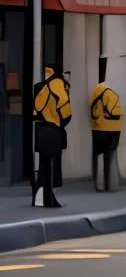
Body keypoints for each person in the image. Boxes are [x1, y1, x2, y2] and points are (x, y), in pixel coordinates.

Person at [32, 65, 71, 208]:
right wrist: (63, 121)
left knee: (43, 166)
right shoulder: (57, 84)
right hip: (53, 129)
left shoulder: (38, 87)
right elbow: (65, 109)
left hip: (39, 128)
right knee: (51, 167)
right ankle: (48, 199)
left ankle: (39, 198)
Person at [89, 57, 123, 192]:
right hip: (114, 128)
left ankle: (99, 184)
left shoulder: (96, 90)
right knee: (111, 155)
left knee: (98, 154)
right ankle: (111, 185)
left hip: (98, 127)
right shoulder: (112, 92)